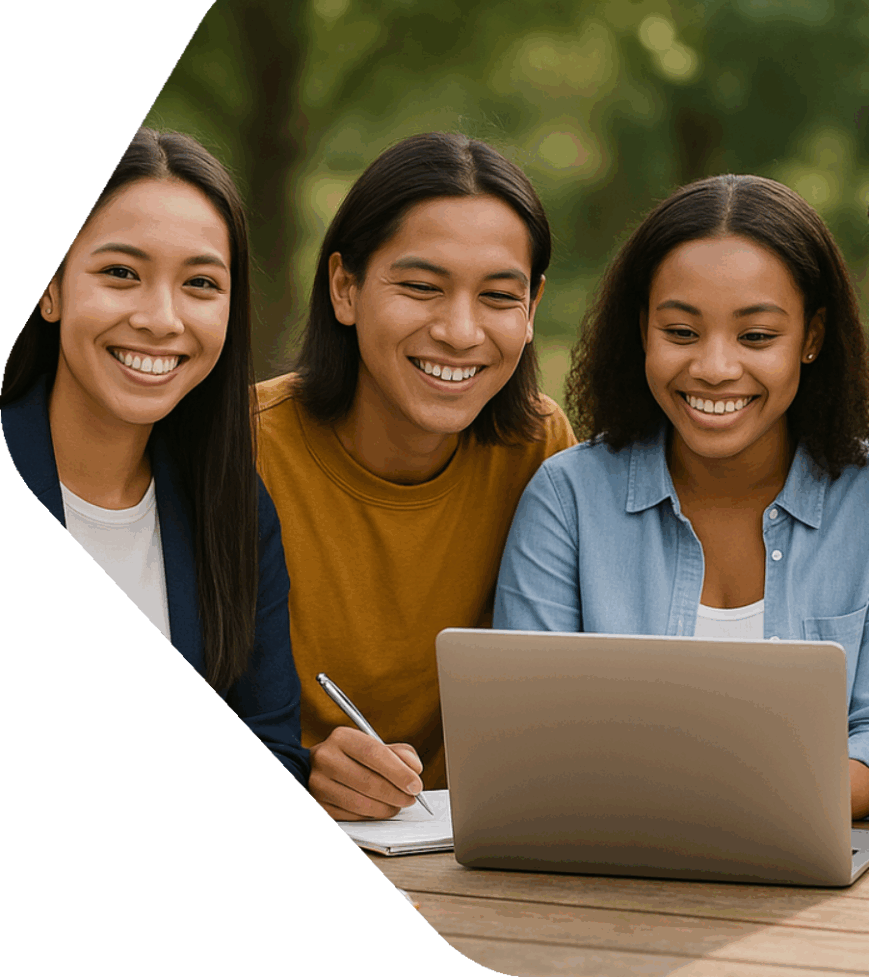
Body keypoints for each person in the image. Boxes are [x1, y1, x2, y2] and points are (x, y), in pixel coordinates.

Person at [493, 173, 869, 819]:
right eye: (681, 332)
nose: (714, 368)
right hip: (603, 878)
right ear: (642, 330)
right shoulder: (568, 498)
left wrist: (726, 799)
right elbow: (520, 734)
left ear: (810, 337)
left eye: (755, 336)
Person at [255, 132, 576, 819]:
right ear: (345, 287)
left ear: (532, 309)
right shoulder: (242, 447)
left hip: (471, 847)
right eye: (421, 288)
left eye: (497, 295)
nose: (460, 332)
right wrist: (295, 767)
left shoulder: (538, 448)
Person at [1, 127, 309, 786]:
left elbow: (271, 756)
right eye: (121, 273)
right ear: (48, 289)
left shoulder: (231, 508)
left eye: (200, 283)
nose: (162, 318)